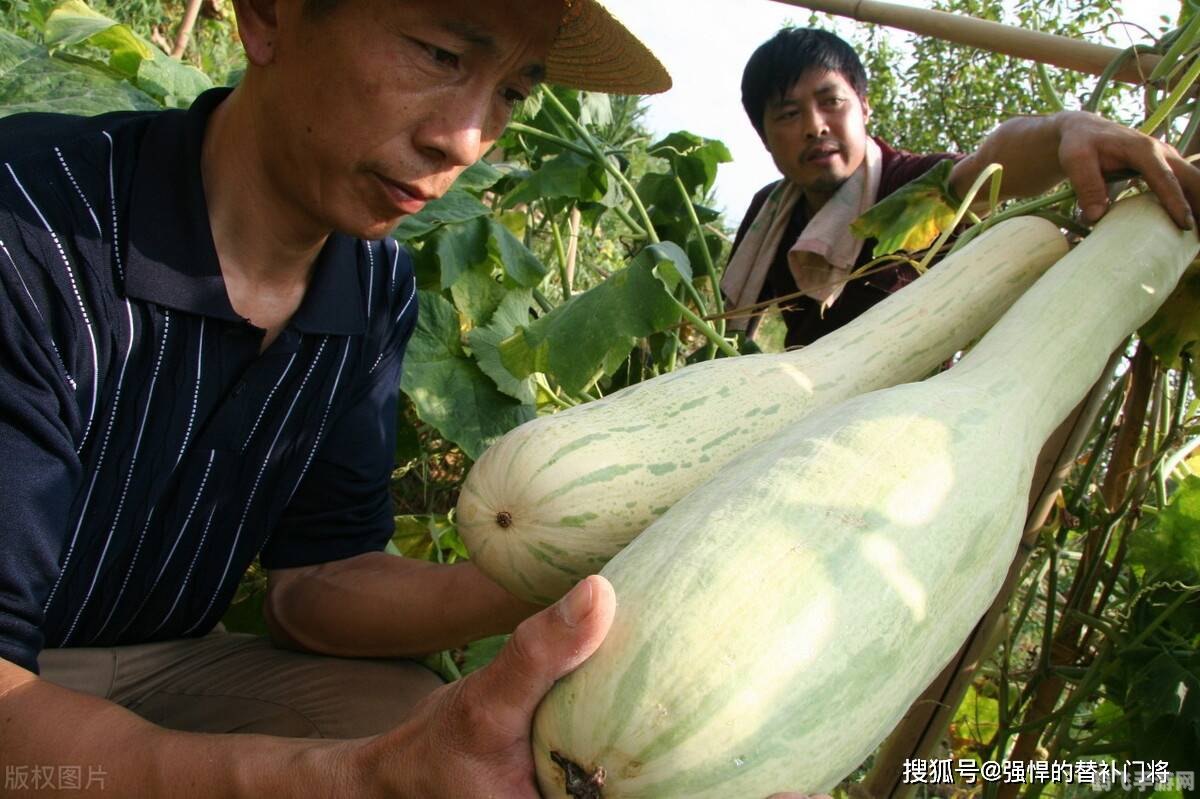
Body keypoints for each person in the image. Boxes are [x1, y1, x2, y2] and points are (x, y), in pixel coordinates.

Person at [0, 1, 833, 796]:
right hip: (17, 687)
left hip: (175, 657)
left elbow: (316, 581)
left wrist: (580, 567)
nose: (466, 139)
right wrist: (353, 781)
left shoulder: (372, 283)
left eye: (511, 92)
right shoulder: (29, 227)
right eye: (440, 55)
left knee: (448, 738)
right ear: (265, 13)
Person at [722, 27, 1200, 349]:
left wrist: (1065, 130)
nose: (814, 126)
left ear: (864, 108)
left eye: (831, 102)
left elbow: (989, 166)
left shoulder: (913, 183)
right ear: (764, 136)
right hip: (789, 410)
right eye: (788, 114)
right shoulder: (770, 210)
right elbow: (737, 323)